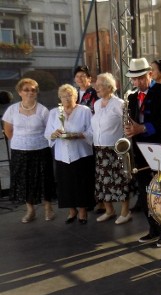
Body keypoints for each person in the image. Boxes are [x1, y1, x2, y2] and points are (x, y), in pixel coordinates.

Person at [125, 58, 161, 247]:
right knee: (145, 192)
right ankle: (153, 229)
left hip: (159, 147)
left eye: (139, 78)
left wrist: (142, 129)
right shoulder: (131, 97)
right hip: (139, 150)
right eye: (133, 79)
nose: (136, 83)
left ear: (149, 74)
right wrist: (130, 130)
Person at [2, 78, 56, 223]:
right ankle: (30, 210)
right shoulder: (12, 110)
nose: (30, 92)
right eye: (26, 90)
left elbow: (49, 130)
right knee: (25, 181)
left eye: (33, 90)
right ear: (20, 92)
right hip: (20, 151)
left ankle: (48, 209)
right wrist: (21, 142)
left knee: (44, 180)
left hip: (41, 149)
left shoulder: (43, 110)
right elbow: (8, 131)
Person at [45, 84, 95, 224]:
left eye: (70, 95)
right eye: (63, 96)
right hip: (62, 154)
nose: (67, 98)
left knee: (82, 183)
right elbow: (47, 133)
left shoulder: (84, 110)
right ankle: (71, 210)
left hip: (81, 153)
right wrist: (54, 134)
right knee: (65, 184)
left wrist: (79, 135)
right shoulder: (55, 112)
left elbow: (93, 130)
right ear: (59, 97)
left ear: (76, 97)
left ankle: (83, 211)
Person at [91, 72, 132, 225]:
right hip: (100, 149)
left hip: (115, 149)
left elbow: (127, 125)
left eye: (99, 85)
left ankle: (125, 211)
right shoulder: (96, 103)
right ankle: (109, 210)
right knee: (103, 182)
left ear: (109, 87)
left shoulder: (119, 103)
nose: (96, 88)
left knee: (120, 181)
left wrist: (125, 145)